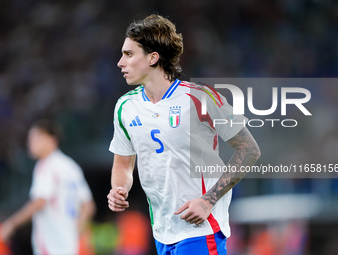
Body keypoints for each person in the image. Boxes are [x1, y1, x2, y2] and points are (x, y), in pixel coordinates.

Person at [107, 14, 261, 255]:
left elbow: (249, 149)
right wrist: (119, 188)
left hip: (200, 229)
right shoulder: (125, 107)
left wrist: (208, 200)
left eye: (128, 54)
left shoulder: (201, 98)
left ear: (153, 58)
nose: (120, 62)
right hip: (162, 231)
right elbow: (123, 166)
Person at [0, 119, 96, 255]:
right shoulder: (71, 166)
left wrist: (11, 223)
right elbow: (89, 206)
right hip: (69, 247)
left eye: (37, 137)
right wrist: (75, 232)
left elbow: (40, 201)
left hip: (50, 246)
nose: (31, 142)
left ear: (52, 140)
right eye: (30, 138)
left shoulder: (46, 165)